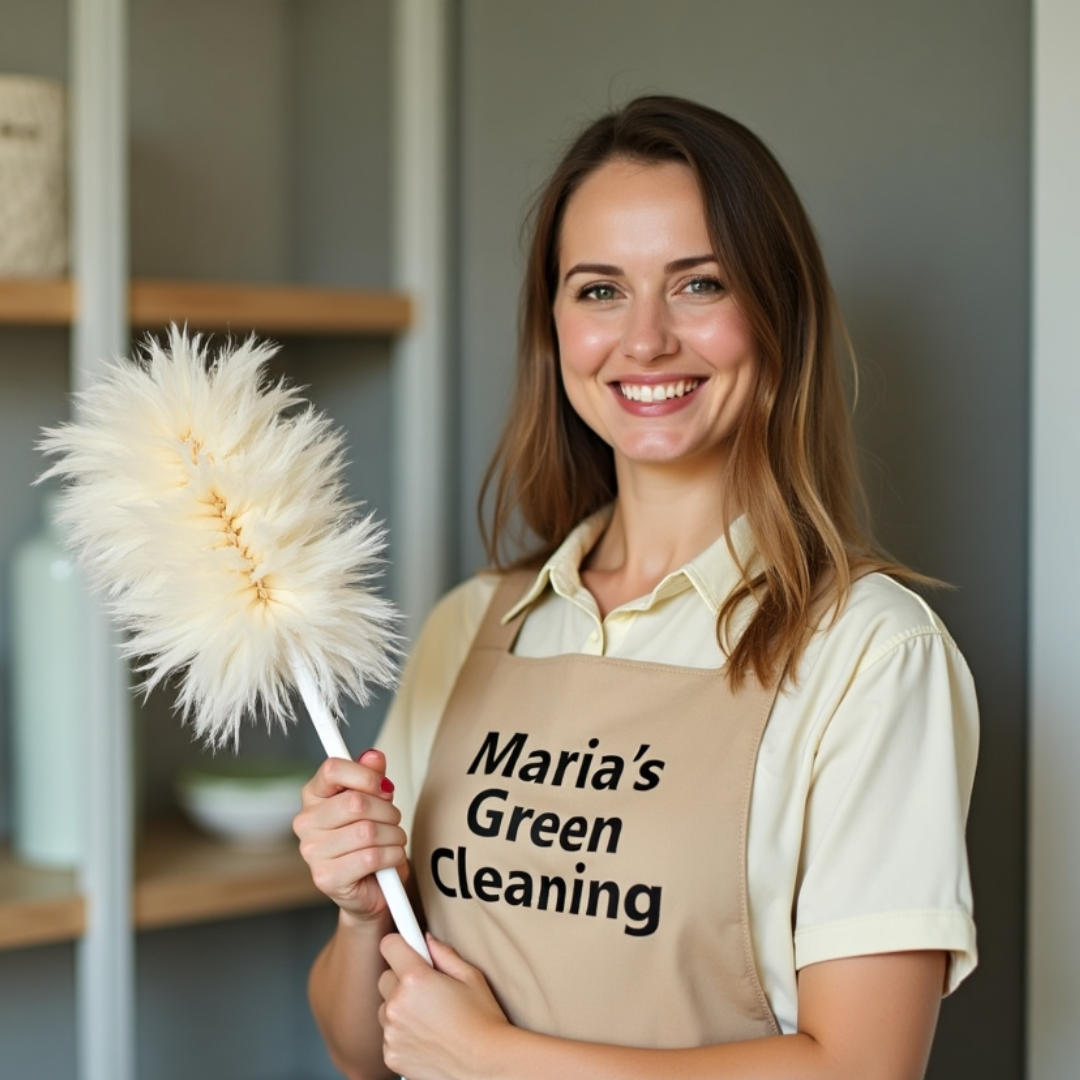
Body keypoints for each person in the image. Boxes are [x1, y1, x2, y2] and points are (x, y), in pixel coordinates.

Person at [294, 95, 978, 1080]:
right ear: (555, 328)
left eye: (698, 284)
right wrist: (365, 914)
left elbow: (864, 1069)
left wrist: (497, 1057)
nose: (646, 339)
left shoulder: (871, 654)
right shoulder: (468, 627)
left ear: (777, 317)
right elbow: (364, 1050)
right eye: (600, 290)